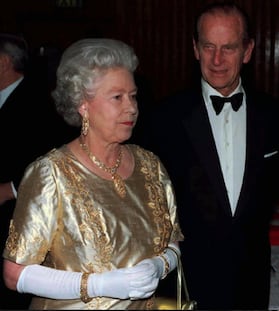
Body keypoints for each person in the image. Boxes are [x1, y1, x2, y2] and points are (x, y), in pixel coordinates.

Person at [2, 38, 184, 310]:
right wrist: (99, 285)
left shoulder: (151, 167)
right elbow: (14, 274)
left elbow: (173, 244)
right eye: (117, 97)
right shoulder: (50, 173)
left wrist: (159, 265)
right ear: (83, 104)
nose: (131, 107)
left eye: (133, 96)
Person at [135, 2, 279, 309]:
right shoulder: (164, 118)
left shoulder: (275, 116)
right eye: (208, 46)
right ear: (195, 48)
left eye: (229, 48)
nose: (217, 60)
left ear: (248, 51)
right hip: (187, 280)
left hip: (252, 281)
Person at [0, 32, 75, 309]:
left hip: (20, 217)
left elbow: (50, 156)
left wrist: (10, 189)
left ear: (4, 62)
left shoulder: (38, 101)